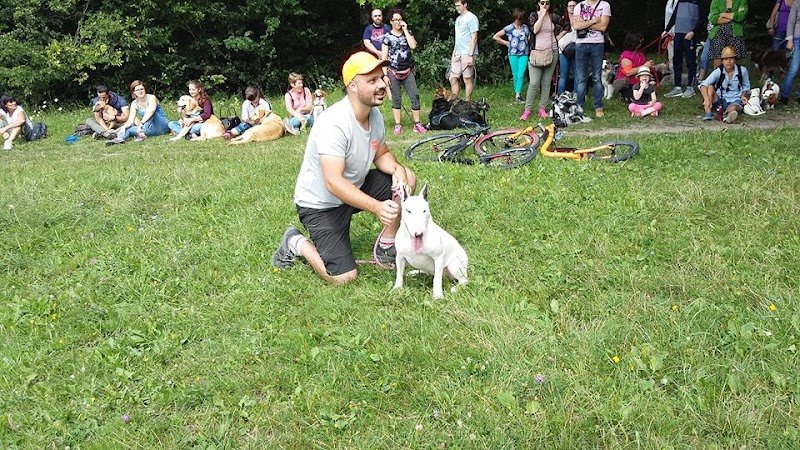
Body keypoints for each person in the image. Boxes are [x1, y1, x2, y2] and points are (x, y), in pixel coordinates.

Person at [271, 51, 417, 285]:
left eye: (381, 78)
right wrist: (377, 207)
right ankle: (295, 242)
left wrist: (397, 170)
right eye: (372, 80)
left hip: (352, 189)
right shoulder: (334, 123)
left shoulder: (375, 115)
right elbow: (333, 182)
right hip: (321, 206)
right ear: (353, 86)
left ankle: (387, 245)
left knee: (407, 176)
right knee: (343, 277)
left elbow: (381, 154)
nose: (382, 84)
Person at [381, 8, 426, 135]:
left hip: (407, 71)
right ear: (391, 21)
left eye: (400, 19)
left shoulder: (408, 33)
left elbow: (413, 46)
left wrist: (405, 30)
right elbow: (384, 58)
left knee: (415, 95)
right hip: (393, 71)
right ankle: (398, 125)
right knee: (396, 98)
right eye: (395, 20)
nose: (398, 22)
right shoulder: (387, 37)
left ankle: (417, 124)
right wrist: (385, 75)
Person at [521, 0, 566, 120]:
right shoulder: (534, 15)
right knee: (534, 82)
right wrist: (542, 15)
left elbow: (566, 25)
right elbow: (534, 30)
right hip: (536, 53)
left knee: (546, 82)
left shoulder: (553, 16)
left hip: (552, 52)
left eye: (547, 3)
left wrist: (558, 37)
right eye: (542, 2)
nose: (545, 5)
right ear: (538, 3)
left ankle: (542, 108)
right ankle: (527, 110)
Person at [572, 0, 612, 117]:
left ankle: (598, 106)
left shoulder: (605, 5)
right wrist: (594, 21)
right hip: (581, 44)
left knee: (597, 77)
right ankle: (579, 106)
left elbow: (603, 27)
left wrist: (584, 23)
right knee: (581, 78)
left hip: (597, 44)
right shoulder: (579, 6)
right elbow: (576, 26)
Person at [106, 80, 170, 145]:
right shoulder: (134, 103)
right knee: (128, 129)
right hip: (149, 128)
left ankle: (141, 134)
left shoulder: (151, 97)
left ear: (145, 89)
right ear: (134, 92)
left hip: (162, 125)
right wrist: (124, 127)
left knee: (151, 113)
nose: (140, 91)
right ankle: (119, 138)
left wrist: (141, 124)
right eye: (137, 90)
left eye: (142, 89)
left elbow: (151, 111)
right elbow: (130, 120)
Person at [699, 46, 750, 123]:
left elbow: (746, 86)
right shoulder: (718, 71)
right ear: (722, 61)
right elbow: (703, 85)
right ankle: (708, 112)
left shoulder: (742, 70)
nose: (728, 61)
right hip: (720, 98)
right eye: (726, 59)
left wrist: (743, 95)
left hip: (735, 99)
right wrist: (706, 99)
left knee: (734, 108)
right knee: (710, 87)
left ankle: (729, 115)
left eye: (731, 59)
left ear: (735, 60)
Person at [663, 0, 701, 99]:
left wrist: (693, 31)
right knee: (676, 61)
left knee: (690, 62)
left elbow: (702, 19)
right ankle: (677, 87)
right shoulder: (680, 2)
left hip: (690, 35)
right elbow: (674, 16)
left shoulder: (697, 2)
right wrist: (667, 30)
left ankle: (690, 87)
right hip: (678, 34)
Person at [493, 8, 531, 103]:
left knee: (521, 74)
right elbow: (495, 36)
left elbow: (529, 39)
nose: (519, 21)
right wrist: (506, 43)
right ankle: (517, 94)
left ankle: (518, 95)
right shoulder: (509, 28)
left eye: (521, 19)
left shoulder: (526, 28)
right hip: (513, 54)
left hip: (524, 54)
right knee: (515, 74)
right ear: (515, 18)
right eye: (518, 19)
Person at [449, 0, 479, 101]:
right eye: (456, 6)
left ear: (465, 4)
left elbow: (474, 36)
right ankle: (454, 102)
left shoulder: (471, 18)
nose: (457, 8)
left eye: (459, 5)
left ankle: (467, 103)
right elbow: (458, 38)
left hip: (467, 52)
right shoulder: (458, 19)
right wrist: (454, 52)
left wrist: (471, 55)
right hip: (458, 52)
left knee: (467, 78)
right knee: (453, 78)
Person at [612, 32, 654, 102]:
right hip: (628, 83)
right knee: (637, 98)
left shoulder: (639, 53)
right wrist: (645, 66)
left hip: (640, 81)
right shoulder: (626, 56)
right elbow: (628, 72)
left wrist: (649, 65)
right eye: (640, 41)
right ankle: (623, 94)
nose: (641, 43)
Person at [707, 0, 748, 67]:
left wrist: (722, 14)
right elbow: (713, 19)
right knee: (718, 58)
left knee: (734, 58)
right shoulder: (716, 1)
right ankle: (719, 73)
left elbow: (741, 16)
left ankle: (734, 74)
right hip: (718, 33)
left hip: (736, 33)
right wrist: (733, 17)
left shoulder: (741, 0)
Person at [780, 0, 800, 104]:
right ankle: (784, 95)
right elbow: (791, 22)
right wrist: (790, 40)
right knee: (794, 68)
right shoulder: (797, 3)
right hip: (797, 38)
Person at [557, 1, 578, 94]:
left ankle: (576, 94)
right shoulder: (562, 20)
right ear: (567, 8)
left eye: (574, 6)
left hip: (576, 49)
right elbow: (557, 36)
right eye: (570, 6)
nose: (572, 7)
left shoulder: (581, 20)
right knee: (563, 75)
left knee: (577, 74)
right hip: (563, 50)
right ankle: (560, 95)